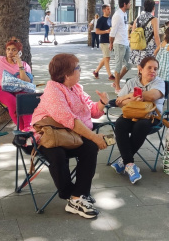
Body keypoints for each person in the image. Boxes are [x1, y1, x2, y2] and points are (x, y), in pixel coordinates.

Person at [30, 53, 109, 219]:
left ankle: (78, 196)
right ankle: (71, 194)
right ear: (67, 74)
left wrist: (102, 103)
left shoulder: (76, 88)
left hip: (72, 136)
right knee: (57, 154)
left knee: (90, 148)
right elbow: (69, 120)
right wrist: (94, 136)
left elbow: (92, 112)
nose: (80, 70)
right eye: (78, 68)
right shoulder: (53, 90)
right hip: (49, 136)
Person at [111, 56, 165, 184]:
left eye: (155, 69)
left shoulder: (159, 82)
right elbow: (119, 102)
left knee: (141, 126)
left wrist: (130, 95)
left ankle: (124, 161)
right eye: (149, 68)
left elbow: (152, 96)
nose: (153, 71)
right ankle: (129, 163)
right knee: (120, 124)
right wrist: (132, 99)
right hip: (132, 115)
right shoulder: (131, 82)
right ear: (140, 69)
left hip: (152, 117)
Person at [110, 0, 132, 94]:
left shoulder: (124, 14)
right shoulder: (118, 15)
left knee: (129, 64)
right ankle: (117, 87)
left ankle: (116, 82)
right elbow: (113, 31)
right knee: (118, 65)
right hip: (119, 43)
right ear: (124, 4)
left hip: (125, 42)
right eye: (129, 3)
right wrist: (111, 43)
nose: (130, 5)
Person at [129, 0, 160, 65]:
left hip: (138, 47)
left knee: (140, 70)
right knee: (148, 68)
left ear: (144, 7)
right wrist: (160, 47)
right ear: (153, 8)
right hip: (149, 49)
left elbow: (133, 32)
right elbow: (156, 36)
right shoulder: (154, 19)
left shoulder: (138, 18)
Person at [93, 4, 114, 80]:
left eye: (110, 9)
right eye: (108, 9)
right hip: (104, 41)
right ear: (103, 10)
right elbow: (97, 31)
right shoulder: (100, 20)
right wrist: (106, 31)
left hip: (110, 41)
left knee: (105, 58)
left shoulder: (111, 19)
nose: (109, 10)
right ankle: (110, 75)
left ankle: (96, 71)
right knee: (107, 58)